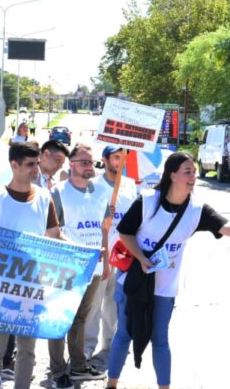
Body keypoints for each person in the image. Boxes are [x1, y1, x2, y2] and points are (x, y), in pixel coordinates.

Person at [106, 152, 230, 389]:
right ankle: (111, 383)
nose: (193, 177)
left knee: (161, 340)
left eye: (194, 172)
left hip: (165, 287)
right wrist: (141, 257)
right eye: (188, 172)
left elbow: (225, 226)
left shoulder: (196, 210)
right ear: (172, 175)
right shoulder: (147, 201)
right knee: (124, 333)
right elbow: (125, 232)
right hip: (133, 281)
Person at [0, 142, 63, 389]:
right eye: (30, 165)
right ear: (14, 165)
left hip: (31, 286)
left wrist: (87, 253)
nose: (36, 170)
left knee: (27, 351)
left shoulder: (44, 198)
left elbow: (55, 236)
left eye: (37, 164)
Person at [45, 144, 110, 387]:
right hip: (68, 267)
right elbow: (52, 230)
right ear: (71, 165)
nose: (89, 167)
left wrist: (106, 260)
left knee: (80, 318)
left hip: (94, 267)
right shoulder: (58, 193)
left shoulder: (101, 193)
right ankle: (57, 370)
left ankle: (78, 366)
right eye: (84, 162)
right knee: (59, 316)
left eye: (91, 163)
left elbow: (103, 227)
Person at [85, 145, 139, 368]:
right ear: (105, 160)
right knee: (93, 302)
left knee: (115, 301)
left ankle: (110, 343)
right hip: (100, 251)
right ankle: (86, 347)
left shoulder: (129, 184)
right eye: (116, 157)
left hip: (123, 253)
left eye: (123, 157)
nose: (120, 161)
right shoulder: (94, 185)